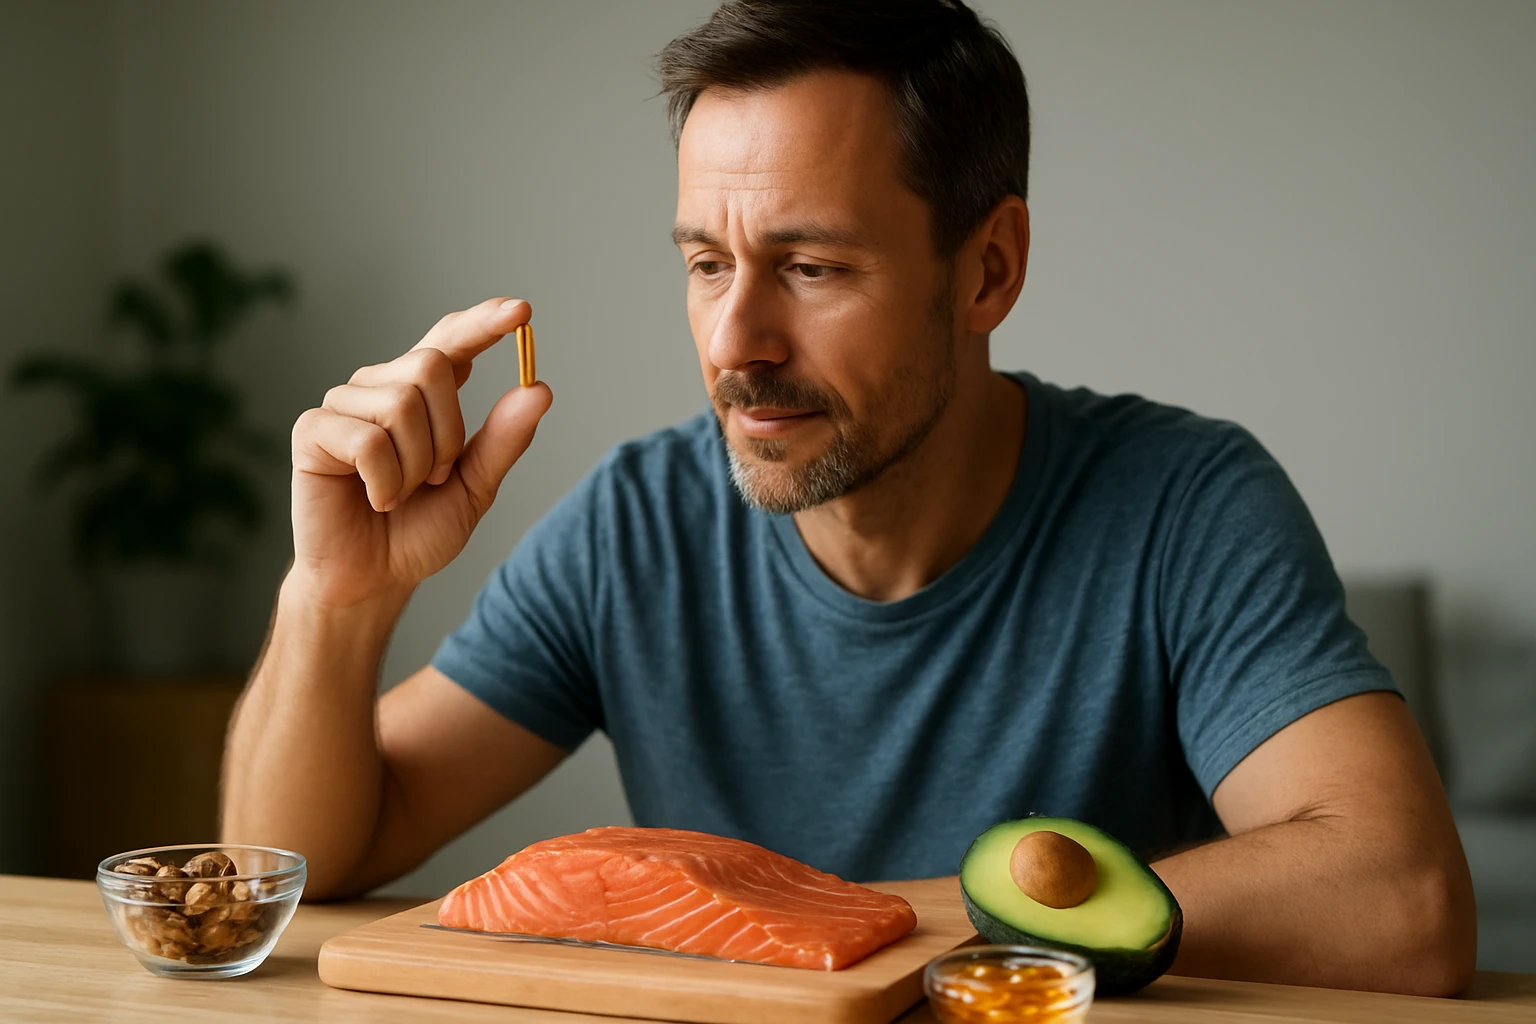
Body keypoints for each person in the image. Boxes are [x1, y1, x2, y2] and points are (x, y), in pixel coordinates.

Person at [221, 0, 1475, 995]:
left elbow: (1402, 902)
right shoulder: (637, 523)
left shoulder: (1183, 503)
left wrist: (840, 923)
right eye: (706, 263)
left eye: (812, 266)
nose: (737, 341)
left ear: (988, 269)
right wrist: (335, 597)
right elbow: (299, 864)